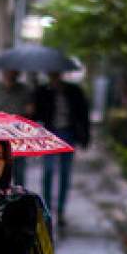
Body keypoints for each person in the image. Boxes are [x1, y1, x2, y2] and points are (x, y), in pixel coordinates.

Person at [34, 70, 90, 225]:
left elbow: (83, 114)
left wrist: (85, 137)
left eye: (56, 74)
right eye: (52, 74)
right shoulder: (42, 91)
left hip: (68, 134)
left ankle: (61, 210)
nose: (54, 77)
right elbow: (37, 114)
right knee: (48, 170)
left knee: (65, 172)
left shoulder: (74, 91)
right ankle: (46, 209)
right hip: (49, 134)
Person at [0, 69, 34, 183]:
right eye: (8, 71)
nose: (11, 74)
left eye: (14, 71)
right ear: (3, 73)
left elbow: (31, 114)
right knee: (1, 170)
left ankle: (20, 198)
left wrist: (30, 110)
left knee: (19, 172)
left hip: (18, 137)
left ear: (17, 74)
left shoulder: (25, 91)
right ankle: (1, 197)